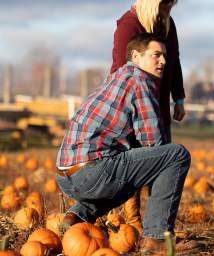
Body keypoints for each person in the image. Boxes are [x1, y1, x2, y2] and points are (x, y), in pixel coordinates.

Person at [56, 33, 197, 253]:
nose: (163, 61)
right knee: (177, 155)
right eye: (156, 55)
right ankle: (157, 238)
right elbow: (154, 145)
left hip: (66, 174)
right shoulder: (141, 80)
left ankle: (77, 216)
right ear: (136, 56)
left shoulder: (118, 77)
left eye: (165, 56)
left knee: (127, 176)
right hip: (93, 172)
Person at [110, 0, 185, 230]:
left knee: (163, 166)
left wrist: (178, 96)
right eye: (165, 4)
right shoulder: (129, 26)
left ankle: (157, 227)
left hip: (159, 107)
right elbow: (120, 69)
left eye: (172, 4)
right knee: (134, 165)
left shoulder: (167, 23)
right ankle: (131, 222)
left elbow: (174, 61)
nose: (168, 9)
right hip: (132, 109)